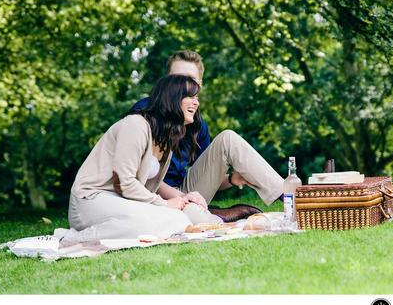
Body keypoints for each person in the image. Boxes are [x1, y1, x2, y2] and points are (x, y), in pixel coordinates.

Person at [131, 50, 284, 221]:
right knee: (197, 218)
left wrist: (232, 179)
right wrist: (182, 199)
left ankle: (291, 197)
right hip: (149, 194)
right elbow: (138, 177)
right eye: (177, 78)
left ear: (199, 85)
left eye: (190, 80)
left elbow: (208, 177)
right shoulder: (145, 111)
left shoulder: (195, 122)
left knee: (228, 138)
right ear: (167, 80)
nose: (184, 85)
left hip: (184, 191)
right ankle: (218, 214)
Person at [66, 74, 220, 242]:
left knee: (180, 220)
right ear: (172, 98)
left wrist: (183, 197)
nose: (196, 102)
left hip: (124, 202)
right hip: (91, 199)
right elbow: (124, 183)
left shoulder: (165, 139)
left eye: (196, 97)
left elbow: (154, 183)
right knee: (143, 224)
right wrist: (163, 204)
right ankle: (74, 238)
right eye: (190, 96)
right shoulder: (135, 125)